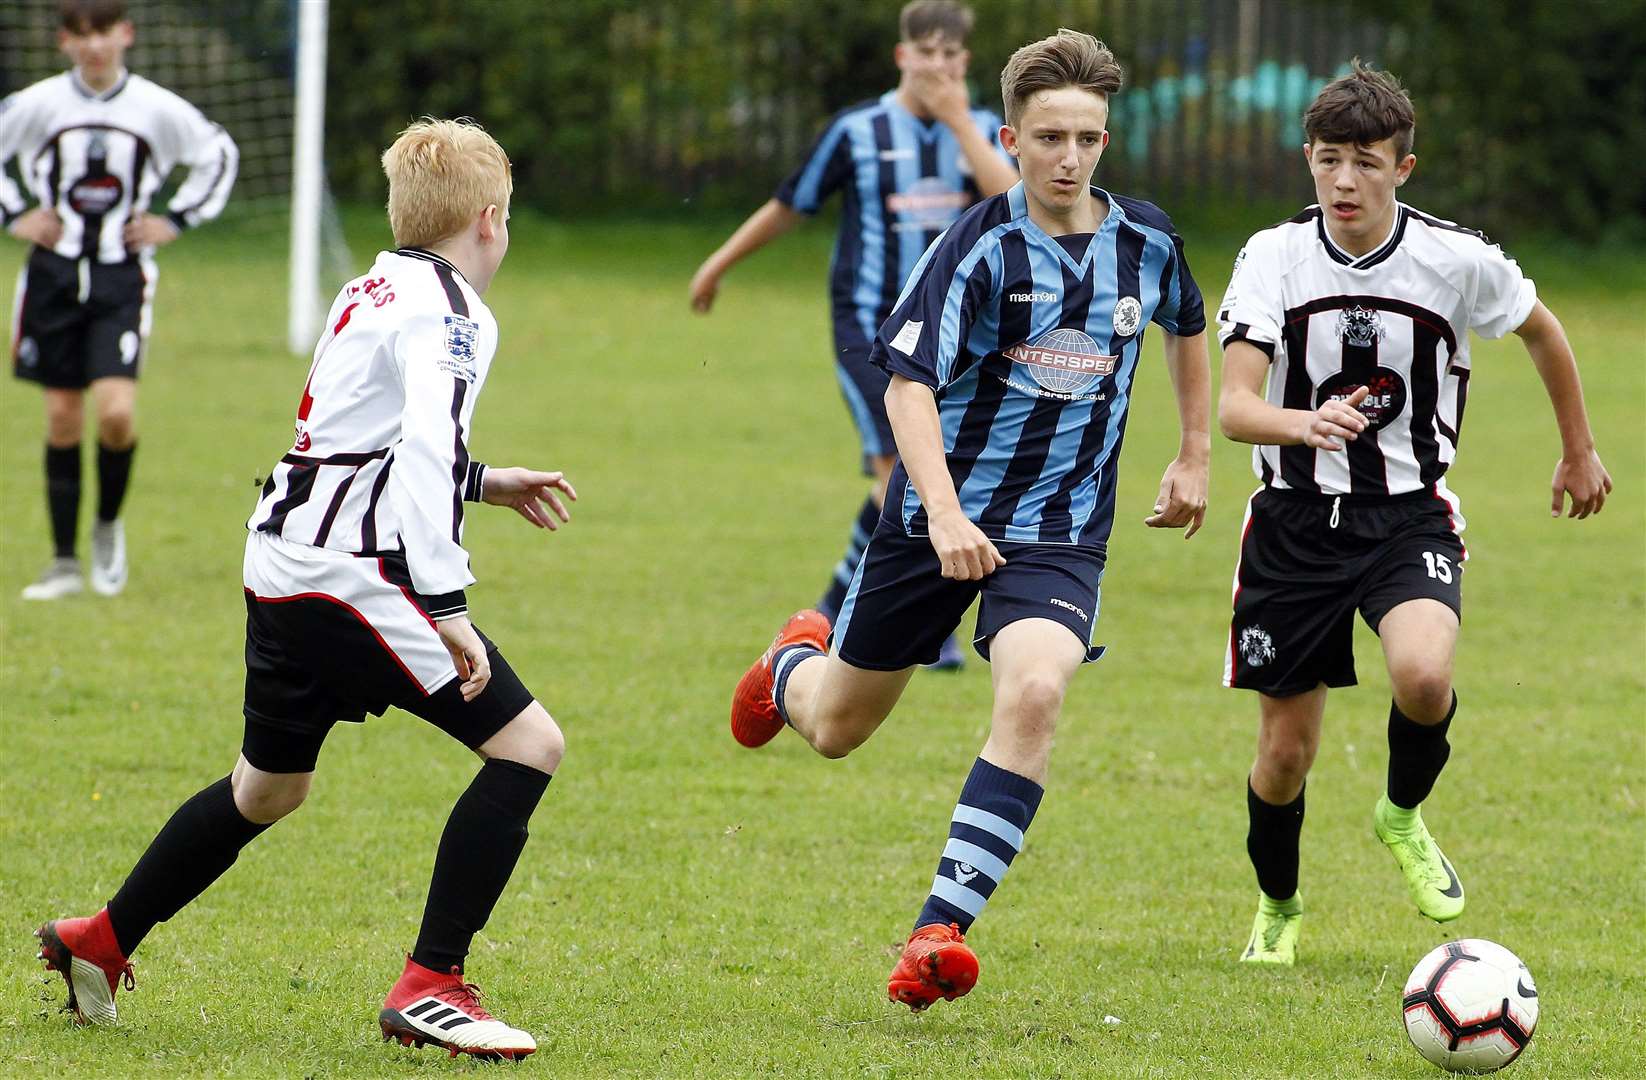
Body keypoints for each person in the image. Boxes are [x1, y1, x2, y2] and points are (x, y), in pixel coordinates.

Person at [35, 118, 577, 1061]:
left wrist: (483, 480)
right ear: (490, 220)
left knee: (268, 788)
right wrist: (447, 609)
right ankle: (431, 985)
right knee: (530, 746)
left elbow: (360, 442)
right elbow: (417, 449)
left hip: (280, 561)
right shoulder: (454, 311)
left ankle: (102, 939)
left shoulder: (369, 285)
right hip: (348, 575)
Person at [730, 29, 1210, 1011]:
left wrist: (1194, 453)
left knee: (1034, 693)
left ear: (1104, 138)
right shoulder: (981, 246)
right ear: (1009, 137)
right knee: (833, 730)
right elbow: (906, 387)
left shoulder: (1146, 243)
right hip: (931, 525)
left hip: (1057, 534)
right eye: (1047, 138)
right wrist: (943, 513)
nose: (1068, 158)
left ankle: (934, 933)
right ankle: (792, 661)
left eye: (1085, 137)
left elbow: (1188, 329)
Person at [1216, 61, 1612, 966]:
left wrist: (1579, 449)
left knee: (1425, 677)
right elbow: (1237, 408)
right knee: (1284, 756)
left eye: (1364, 161)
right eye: (1327, 160)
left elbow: (1543, 330)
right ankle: (1278, 906)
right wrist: (1299, 422)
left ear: (1405, 167)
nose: (1344, 181)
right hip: (1292, 524)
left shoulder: (1454, 259)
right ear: (1306, 160)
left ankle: (1401, 814)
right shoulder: (1272, 255)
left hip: (1408, 517)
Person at [689, 0, 1019, 669]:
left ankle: (894, 621)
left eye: (949, 55)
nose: (937, 65)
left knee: (929, 478)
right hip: (869, 332)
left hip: (956, 341)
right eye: (924, 52)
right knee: (902, 468)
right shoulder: (857, 131)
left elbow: (1015, 208)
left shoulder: (984, 130)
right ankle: (847, 615)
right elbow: (790, 204)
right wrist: (719, 263)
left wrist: (958, 121)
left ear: (965, 63)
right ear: (903, 57)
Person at [3, 0, 238, 600]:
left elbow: (219, 153)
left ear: (125, 34)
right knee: (61, 418)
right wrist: (15, 214)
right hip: (53, 276)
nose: (94, 46)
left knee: (114, 415)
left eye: (104, 32)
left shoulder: (156, 108)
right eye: (81, 34)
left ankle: (107, 525)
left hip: (120, 279)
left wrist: (175, 219)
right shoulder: (39, 105)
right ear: (64, 41)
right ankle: (62, 562)